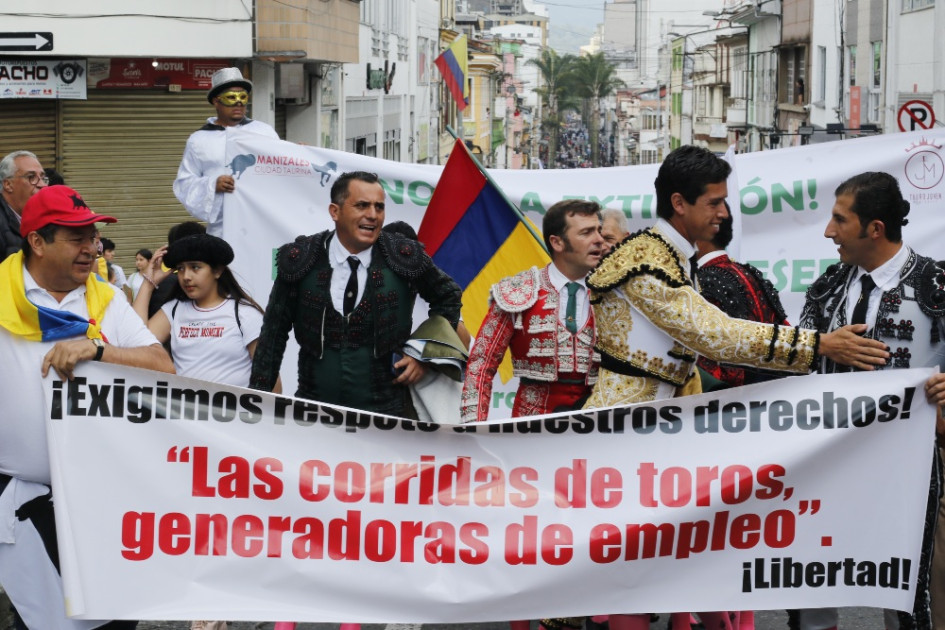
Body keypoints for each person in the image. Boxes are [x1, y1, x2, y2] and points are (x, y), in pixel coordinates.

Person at [582, 146, 890, 630]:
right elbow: (715, 335)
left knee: (674, 567)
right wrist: (818, 346)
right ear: (680, 203)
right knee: (632, 578)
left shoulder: (665, 254)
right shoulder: (646, 262)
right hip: (627, 435)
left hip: (662, 430)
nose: (724, 214)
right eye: (715, 203)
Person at [0, 184, 174, 630]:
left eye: (93, 236)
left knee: (116, 617)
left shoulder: (106, 298)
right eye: (77, 237)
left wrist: (98, 351)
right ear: (36, 241)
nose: (92, 248)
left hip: (102, 498)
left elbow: (162, 367)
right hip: (23, 500)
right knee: (44, 620)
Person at [797, 171, 945, 630]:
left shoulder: (936, 284)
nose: (828, 231)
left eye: (840, 220)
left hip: (915, 464)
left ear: (874, 229)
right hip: (833, 458)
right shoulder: (828, 286)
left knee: (910, 585)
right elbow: (796, 366)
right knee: (810, 575)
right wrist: (823, 345)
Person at [249, 170, 463, 418]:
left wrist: (423, 357)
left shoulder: (403, 255)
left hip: (388, 414)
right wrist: (256, 404)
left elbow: (448, 297)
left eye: (379, 207)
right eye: (362, 205)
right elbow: (272, 336)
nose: (372, 215)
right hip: (314, 412)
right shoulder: (301, 258)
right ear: (335, 211)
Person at [461, 199, 605, 424]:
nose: (599, 240)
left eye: (598, 230)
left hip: (599, 423)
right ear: (557, 243)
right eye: (586, 233)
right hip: (532, 426)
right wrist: (472, 428)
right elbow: (481, 364)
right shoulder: (517, 292)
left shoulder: (615, 293)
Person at [173, 67, 279, 237]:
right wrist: (213, 185)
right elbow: (184, 183)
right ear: (216, 101)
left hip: (260, 224)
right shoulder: (198, 140)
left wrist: (301, 155)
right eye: (231, 97)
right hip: (222, 229)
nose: (238, 103)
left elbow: (282, 168)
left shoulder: (264, 132)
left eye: (243, 97)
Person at [695, 211, 791, 388]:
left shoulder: (699, 283)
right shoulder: (750, 272)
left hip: (730, 401)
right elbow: (784, 333)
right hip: (778, 390)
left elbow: (711, 362)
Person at [0, 150, 47, 262]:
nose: (42, 185)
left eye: (43, 178)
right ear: (8, 184)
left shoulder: (43, 216)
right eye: (31, 177)